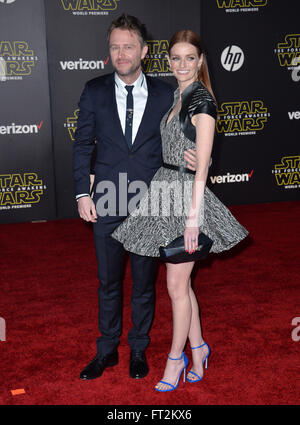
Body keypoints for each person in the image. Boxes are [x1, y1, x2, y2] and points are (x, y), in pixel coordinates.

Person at [112, 30, 249, 391]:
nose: (182, 65)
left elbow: (202, 166)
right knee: (181, 286)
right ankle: (199, 348)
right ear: (168, 61)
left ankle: (176, 358)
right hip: (167, 188)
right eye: (176, 58)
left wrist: (192, 221)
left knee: (175, 284)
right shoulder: (178, 95)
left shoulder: (201, 100)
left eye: (190, 58)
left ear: (201, 61)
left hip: (188, 197)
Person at [73, 15, 197, 381]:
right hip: (108, 198)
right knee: (108, 282)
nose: (121, 54)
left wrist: (192, 158)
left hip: (151, 201)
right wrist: (83, 192)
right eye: (115, 47)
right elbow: (82, 145)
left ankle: (138, 348)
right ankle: (107, 349)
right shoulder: (94, 90)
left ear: (144, 50)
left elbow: (181, 139)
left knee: (144, 284)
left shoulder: (165, 93)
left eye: (128, 46)